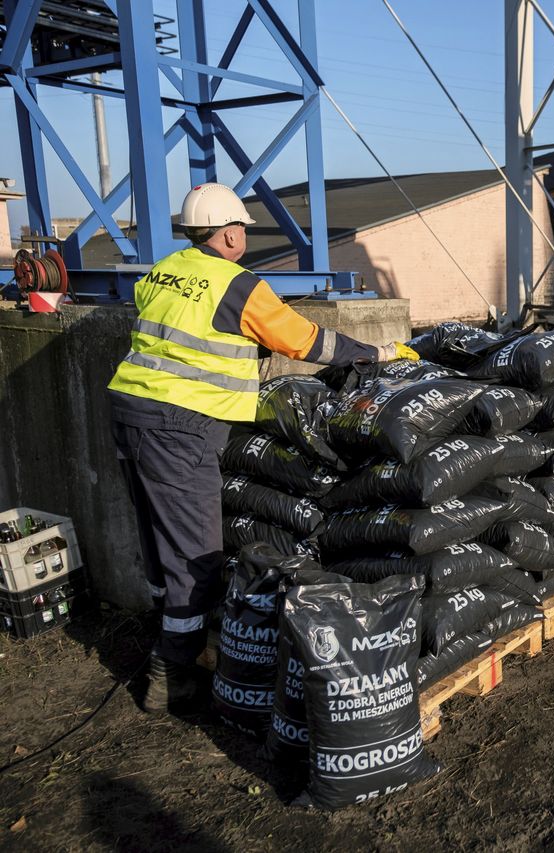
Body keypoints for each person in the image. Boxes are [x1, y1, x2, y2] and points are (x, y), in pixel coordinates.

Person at [107, 183, 417, 713]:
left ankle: (169, 637)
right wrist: (377, 353)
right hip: (180, 425)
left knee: (157, 539)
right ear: (229, 232)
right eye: (242, 230)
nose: (242, 238)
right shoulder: (238, 284)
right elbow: (306, 341)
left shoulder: (162, 272)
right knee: (195, 556)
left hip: (128, 410)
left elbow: (180, 330)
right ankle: (170, 675)